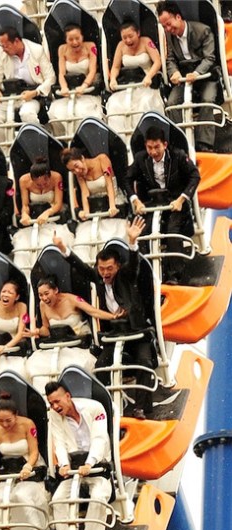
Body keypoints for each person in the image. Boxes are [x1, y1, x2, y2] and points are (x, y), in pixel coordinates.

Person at [53, 216, 156, 419]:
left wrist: (133, 242)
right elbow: (81, 267)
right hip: (114, 333)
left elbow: (134, 265)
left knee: (144, 362)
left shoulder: (126, 276)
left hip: (136, 331)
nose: (105, 273)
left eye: (109, 269)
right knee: (101, 367)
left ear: (117, 267)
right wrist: (63, 249)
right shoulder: (99, 278)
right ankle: (107, 407)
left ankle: (141, 408)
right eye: (101, 269)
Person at [124, 125, 201, 284]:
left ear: (165, 145)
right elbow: (126, 179)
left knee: (172, 233)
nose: (153, 152)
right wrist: (135, 199)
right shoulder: (140, 158)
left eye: (157, 147)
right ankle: (147, 274)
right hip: (151, 204)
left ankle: (175, 276)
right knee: (142, 234)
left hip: (175, 203)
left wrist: (182, 199)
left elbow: (195, 176)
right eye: (149, 147)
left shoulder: (178, 156)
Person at [45, 382, 112, 530]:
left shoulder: (95, 408)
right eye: (51, 403)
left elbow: (99, 438)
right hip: (75, 467)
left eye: (57, 401)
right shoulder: (54, 415)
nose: (55, 406)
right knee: (59, 498)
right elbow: (58, 441)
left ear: (68, 396)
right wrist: (63, 463)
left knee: (98, 496)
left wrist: (90, 462)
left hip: (97, 464)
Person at [23, 275, 117, 392]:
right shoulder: (43, 305)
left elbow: (94, 312)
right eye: (40, 295)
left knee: (73, 365)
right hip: (57, 346)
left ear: (56, 290)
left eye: (46, 293)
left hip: (79, 345)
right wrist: (37, 331)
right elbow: (46, 329)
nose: (44, 298)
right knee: (37, 365)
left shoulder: (73, 299)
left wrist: (113, 316)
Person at [0, 397, 49, 530]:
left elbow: (34, 451)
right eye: (1, 421)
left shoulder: (27, 424)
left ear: (16, 415)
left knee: (23, 496)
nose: (5, 424)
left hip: (30, 469)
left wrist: (28, 467)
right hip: (8, 471)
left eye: (8, 420)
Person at [156, 0, 219, 152]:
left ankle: (204, 144)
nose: (168, 28)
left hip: (206, 75)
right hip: (184, 78)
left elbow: (210, 58)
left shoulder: (203, 30)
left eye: (169, 24)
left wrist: (197, 73)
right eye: (164, 26)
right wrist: (174, 72)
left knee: (207, 100)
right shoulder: (169, 37)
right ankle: (181, 141)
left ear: (178, 17)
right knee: (171, 104)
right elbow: (170, 59)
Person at [0, 26, 56, 148]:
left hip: (32, 96)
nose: (3, 49)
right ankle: (8, 150)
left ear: (17, 42)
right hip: (10, 97)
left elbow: (50, 78)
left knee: (27, 113)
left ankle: (38, 145)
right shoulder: (1, 52)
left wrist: (35, 92)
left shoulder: (36, 50)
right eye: (2, 46)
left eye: (6, 45)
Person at [60, 147, 128, 261]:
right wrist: (85, 211)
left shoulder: (102, 159)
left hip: (113, 201)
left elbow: (109, 184)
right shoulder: (79, 174)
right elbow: (85, 191)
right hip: (96, 208)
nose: (76, 171)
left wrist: (112, 206)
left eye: (76, 166)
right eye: (72, 170)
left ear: (82, 158)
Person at [12, 156, 74, 275]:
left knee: (50, 243)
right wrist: (25, 214)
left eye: (44, 183)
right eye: (38, 184)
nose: (42, 186)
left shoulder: (56, 178)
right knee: (24, 247)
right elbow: (25, 205)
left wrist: (47, 213)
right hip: (34, 222)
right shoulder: (24, 181)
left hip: (52, 220)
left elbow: (58, 203)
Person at [106, 21, 164, 138]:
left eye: (130, 36)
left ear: (138, 33)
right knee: (114, 104)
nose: (128, 40)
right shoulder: (120, 46)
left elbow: (157, 61)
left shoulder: (146, 41)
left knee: (144, 103)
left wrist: (149, 76)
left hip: (146, 84)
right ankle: (123, 139)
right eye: (124, 37)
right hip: (127, 86)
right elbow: (116, 67)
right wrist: (113, 79)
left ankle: (142, 137)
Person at [48, 24, 103, 137]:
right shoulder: (62, 49)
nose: (75, 42)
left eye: (77, 38)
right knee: (58, 112)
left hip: (88, 90)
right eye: (71, 39)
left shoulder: (90, 46)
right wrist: (63, 87)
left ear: (82, 37)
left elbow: (92, 70)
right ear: (66, 40)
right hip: (70, 92)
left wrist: (84, 86)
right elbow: (61, 73)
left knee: (82, 112)